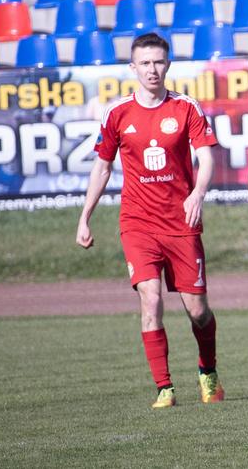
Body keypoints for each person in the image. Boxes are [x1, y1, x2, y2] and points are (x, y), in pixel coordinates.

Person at [76, 32, 225, 408]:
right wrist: (85, 218)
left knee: (198, 310)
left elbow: (206, 158)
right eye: (144, 63)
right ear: (133, 67)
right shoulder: (117, 113)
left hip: (181, 223)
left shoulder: (186, 108)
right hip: (138, 223)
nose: (152, 69)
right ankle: (164, 387)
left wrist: (198, 193)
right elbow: (102, 167)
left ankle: (207, 370)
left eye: (158, 62)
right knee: (150, 299)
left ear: (168, 64)